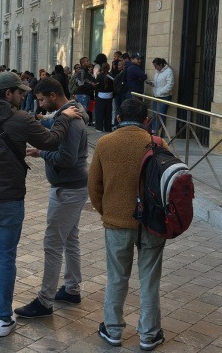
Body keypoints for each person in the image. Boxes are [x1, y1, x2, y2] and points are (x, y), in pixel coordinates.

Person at [0, 71, 81, 337]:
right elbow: (52, 141)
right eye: (20, 92)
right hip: (9, 202)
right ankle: (1, 319)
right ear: (8, 94)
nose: (25, 96)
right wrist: (63, 118)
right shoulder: (20, 119)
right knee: (5, 259)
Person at [89, 99, 167, 350]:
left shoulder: (105, 143)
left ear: (119, 119)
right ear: (147, 121)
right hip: (152, 224)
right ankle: (149, 333)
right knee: (150, 279)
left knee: (117, 277)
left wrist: (108, 211)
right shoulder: (157, 143)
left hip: (117, 223)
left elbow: (94, 186)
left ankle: (112, 330)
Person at [14, 78, 89, 319]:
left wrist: (41, 153)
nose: (40, 104)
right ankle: (71, 289)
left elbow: (66, 158)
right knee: (70, 239)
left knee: (53, 244)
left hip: (67, 189)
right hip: (73, 186)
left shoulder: (71, 121)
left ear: (54, 96)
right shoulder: (69, 113)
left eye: (42, 99)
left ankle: (45, 301)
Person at [146, 58, 174, 133]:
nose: (155, 68)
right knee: (155, 114)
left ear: (161, 65)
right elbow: (158, 82)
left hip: (164, 96)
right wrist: (152, 83)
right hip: (156, 96)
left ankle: (154, 131)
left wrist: (160, 92)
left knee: (161, 114)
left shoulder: (169, 71)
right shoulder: (157, 71)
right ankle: (153, 130)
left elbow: (169, 85)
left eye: (156, 66)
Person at [94, 63, 115, 133]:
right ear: (109, 68)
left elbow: (96, 87)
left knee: (100, 113)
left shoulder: (99, 76)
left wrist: (96, 95)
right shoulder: (111, 76)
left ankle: (99, 128)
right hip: (109, 96)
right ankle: (108, 128)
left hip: (101, 96)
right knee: (108, 113)